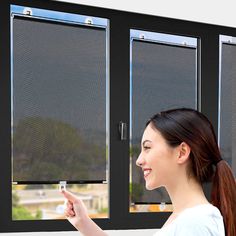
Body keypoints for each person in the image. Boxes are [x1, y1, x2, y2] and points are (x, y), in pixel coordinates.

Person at [62, 108, 236, 236]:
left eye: (147, 148)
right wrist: (84, 223)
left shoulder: (195, 223)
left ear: (181, 152)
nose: (139, 160)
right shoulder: (185, 218)